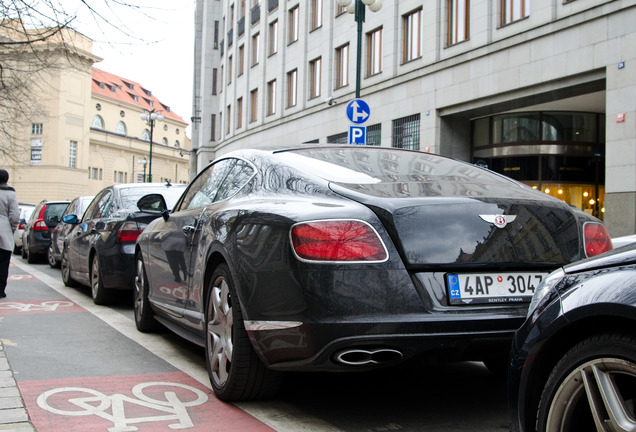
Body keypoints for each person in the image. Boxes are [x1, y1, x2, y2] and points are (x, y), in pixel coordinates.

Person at [0, 169, 19, 298]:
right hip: (4, 231)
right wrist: (11, 229)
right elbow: (15, 216)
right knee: (3, 263)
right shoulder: (10, 194)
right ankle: (0, 290)